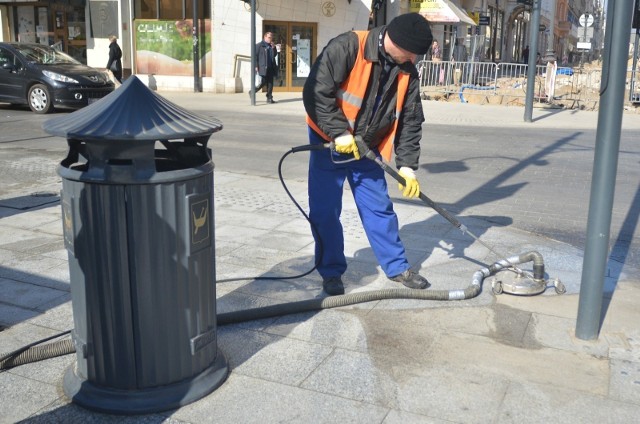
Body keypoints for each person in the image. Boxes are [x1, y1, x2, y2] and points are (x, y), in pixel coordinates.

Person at [303, 13, 432, 296]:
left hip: (367, 148)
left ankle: (397, 267)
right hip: (329, 144)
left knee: (379, 208)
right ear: (393, 40)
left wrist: (408, 165)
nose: (413, 59)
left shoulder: (407, 69)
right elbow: (316, 92)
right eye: (410, 53)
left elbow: (411, 118)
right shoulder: (348, 47)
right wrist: (338, 132)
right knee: (325, 211)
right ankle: (331, 271)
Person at [252, 31, 278, 103]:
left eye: (271, 37)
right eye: (269, 37)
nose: (270, 39)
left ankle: (269, 98)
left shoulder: (271, 46)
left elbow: (274, 55)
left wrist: (274, 48)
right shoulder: (259, 45)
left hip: (271, 67)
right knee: (263, 82)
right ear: (265, 37)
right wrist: (256, 65)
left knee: (270, 83)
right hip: (263, 67)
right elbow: (255, 56)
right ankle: (252, 91)